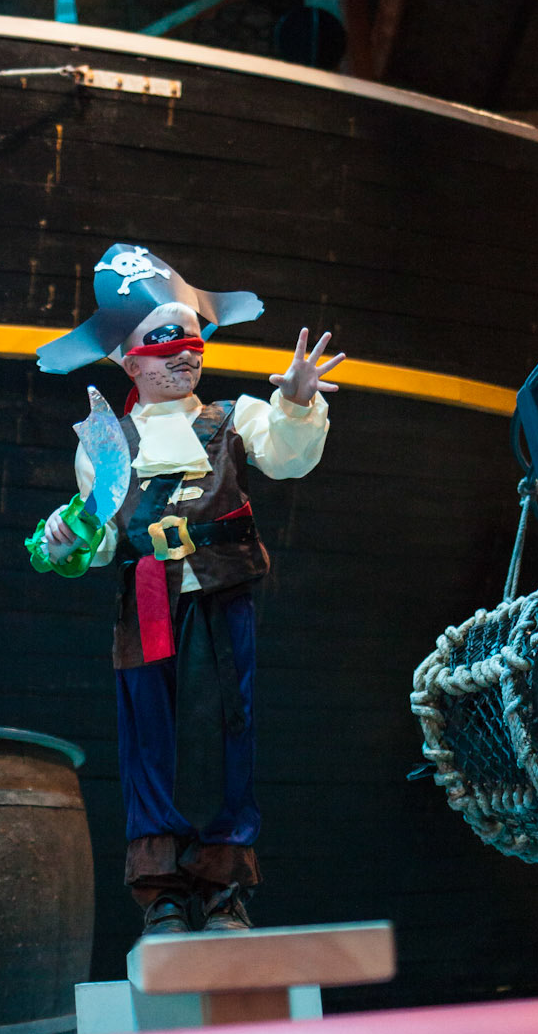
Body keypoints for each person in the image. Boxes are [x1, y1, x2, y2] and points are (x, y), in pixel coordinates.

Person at [30, 243, 343, 937]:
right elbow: (99, 536)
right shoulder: (107, 442)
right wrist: (64, 538)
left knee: (227, 730)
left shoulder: (234, 417)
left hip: (221, 597)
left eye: (192, 342)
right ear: (128, 361)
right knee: (150, 740)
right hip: (145, 601)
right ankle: (163, 893)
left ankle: (224, 886)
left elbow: (287, 456)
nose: (183, 356)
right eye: (163, 344)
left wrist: (296, 401)